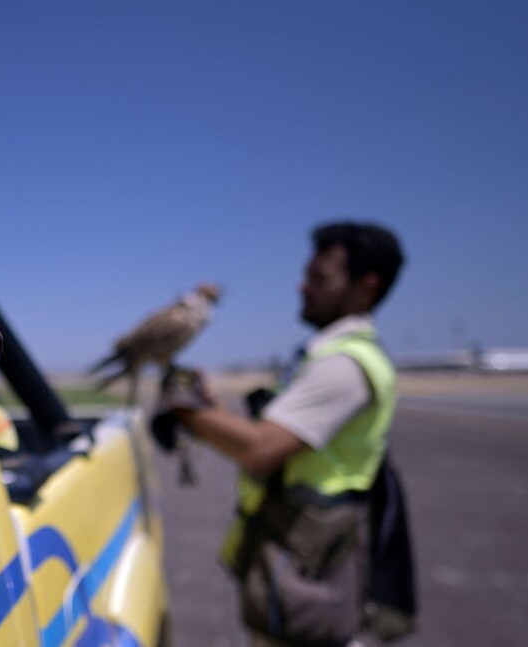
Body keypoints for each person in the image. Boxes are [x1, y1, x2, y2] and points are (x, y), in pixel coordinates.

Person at [154, 221, 408, 646]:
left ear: (366, 287)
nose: (301, 287)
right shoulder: (328, 355)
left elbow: (260, 449)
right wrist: (212, 406)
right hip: (300, 557)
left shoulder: (344, 365)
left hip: (311, 570)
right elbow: (275, 434)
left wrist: (185, 409)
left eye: (318, 278)